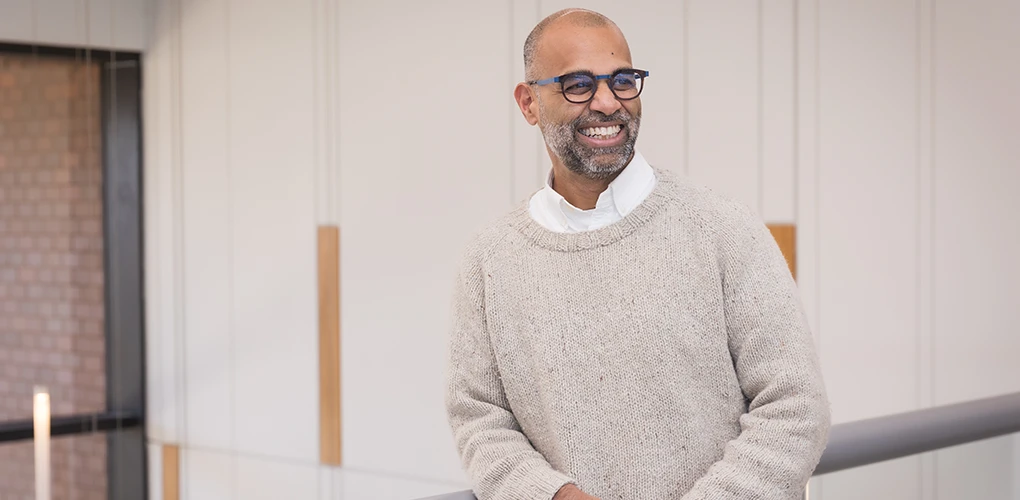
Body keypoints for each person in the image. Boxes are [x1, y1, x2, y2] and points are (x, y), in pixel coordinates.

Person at [444, 8, 830, 500]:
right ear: (529, 103)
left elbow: (795, 407)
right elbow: (480, 422)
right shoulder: (488, 259)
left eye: (622, 80)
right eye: (578, 84)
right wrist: (553, 496)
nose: (608, 103)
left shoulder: (722, 228)